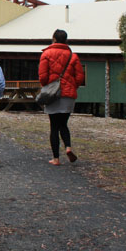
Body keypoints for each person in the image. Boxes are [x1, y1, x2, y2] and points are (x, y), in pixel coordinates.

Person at [38, 29, 85, 166]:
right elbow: (80, 77)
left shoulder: (46, 54)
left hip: (52, 94)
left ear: (54, 39)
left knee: (54, 126)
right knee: (63, 124)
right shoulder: (73, 56)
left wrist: (48, 86)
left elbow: (43, 76)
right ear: (66, 40)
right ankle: (68, 147)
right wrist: (72, 86)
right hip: (68, 95)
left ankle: (56, 158)